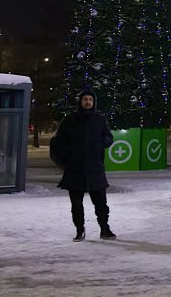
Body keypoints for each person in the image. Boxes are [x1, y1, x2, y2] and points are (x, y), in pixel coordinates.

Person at [50, 87, 116, 241]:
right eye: (85, 99)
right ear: (80, 101)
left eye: (90, 100)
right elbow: (58, 140)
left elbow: (108, 137)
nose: (88, 102)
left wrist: (102, 143)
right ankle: (80, 230)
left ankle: (104, 229)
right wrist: (69, 154)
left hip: (95, 168)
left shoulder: (100, 119)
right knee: (76, 205)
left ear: (94, 102)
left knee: (101, 203)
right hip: (75, 169)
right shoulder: (70, 119)